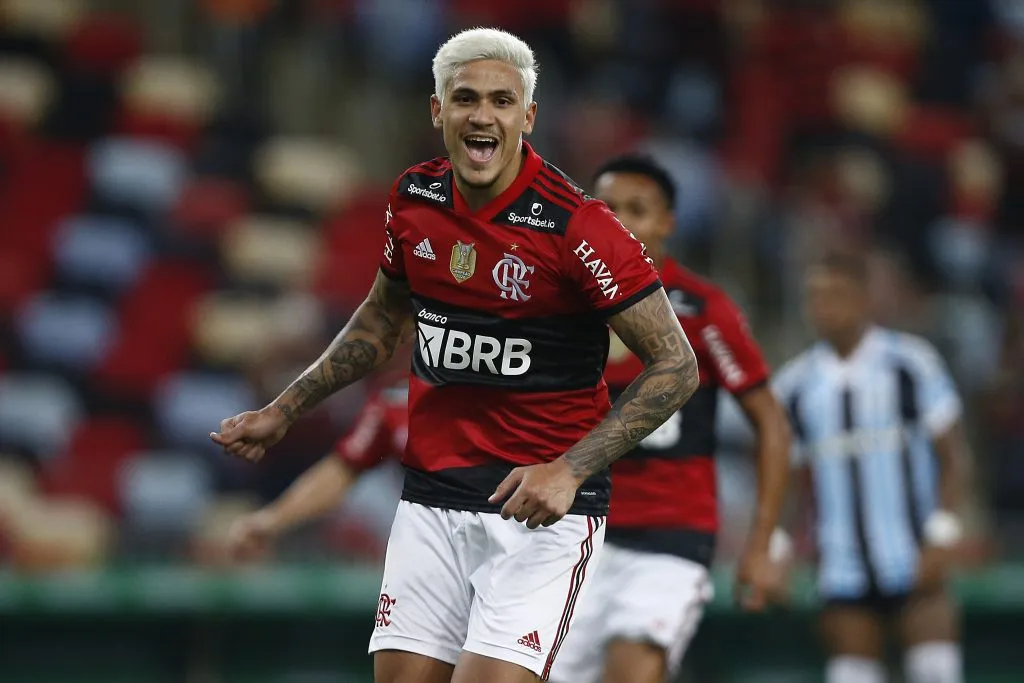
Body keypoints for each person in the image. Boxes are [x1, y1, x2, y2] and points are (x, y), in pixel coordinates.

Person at [210, 27, 701, 683]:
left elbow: (677, 364)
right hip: (431, 500)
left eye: (502, 101)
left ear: (527, 117)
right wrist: (284, 408)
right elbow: (382, 318)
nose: (482, 115)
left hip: (537, 514)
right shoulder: (415, 200)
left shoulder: (579, 227)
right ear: (439, 111)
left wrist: (569, 468)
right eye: (465, 98)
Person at [546, 155, 793, 683]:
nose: (620, 221)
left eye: (637, 209)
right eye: (607, 208)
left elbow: (770, 422)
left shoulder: (703, 311)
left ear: (667, 224)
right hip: (572, 534)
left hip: (670, 535)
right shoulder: (559, 307)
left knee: (631, 672)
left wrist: (762, 542)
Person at [772, 251, 972, 683]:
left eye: (836, 295)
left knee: (935, 670)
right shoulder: (794, 385)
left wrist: (942, 534)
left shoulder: (911, 364)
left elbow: (954, 456)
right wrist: (781, 548)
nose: (824, 307)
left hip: (916, 554)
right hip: (842, 567)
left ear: (864, 298)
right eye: (816, 297)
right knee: (852, 674)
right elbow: (792, 482)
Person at [225, 376, 410, 562]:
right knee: (367, 498)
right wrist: (272, 520)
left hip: (433, 523)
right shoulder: (397, 399)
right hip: (420, 524)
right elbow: (343, 467)